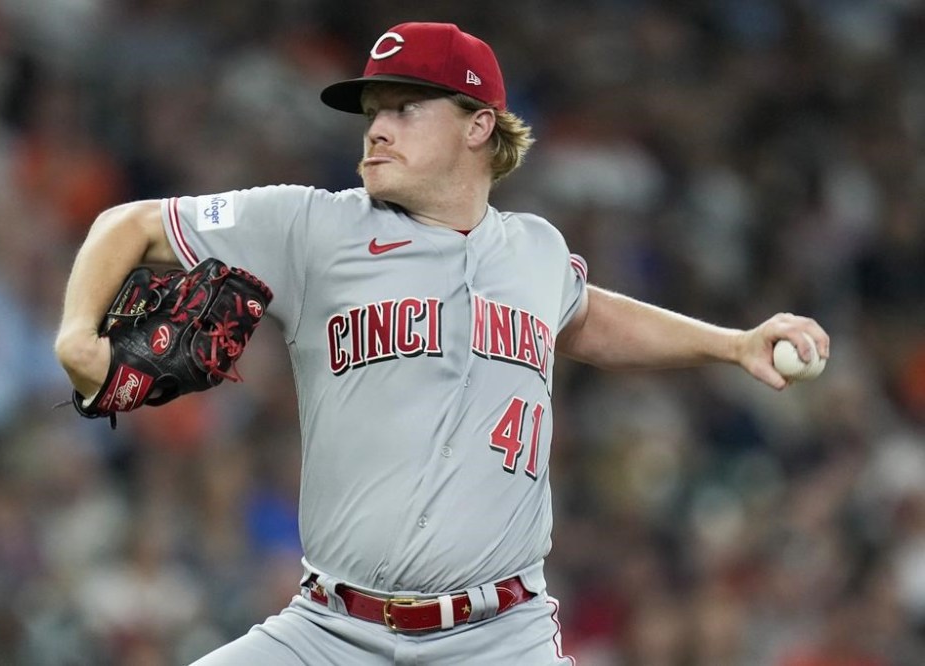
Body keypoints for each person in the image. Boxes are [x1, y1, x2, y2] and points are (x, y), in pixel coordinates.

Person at [55, 21, 830, 666]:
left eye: (404, 107)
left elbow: (586, 317)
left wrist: (732, 345)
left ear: (478, 124)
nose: (378, 128)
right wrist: (78, 335)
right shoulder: (314, 226)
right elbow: (127, 226)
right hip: (330, 632)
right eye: (372, 112)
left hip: (500, 638)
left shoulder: (534, 249)